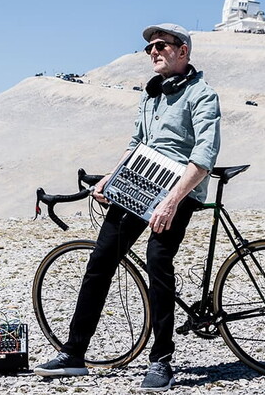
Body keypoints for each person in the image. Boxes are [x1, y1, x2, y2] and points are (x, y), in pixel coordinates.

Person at [34, 23, 221, 392]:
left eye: (161, 46)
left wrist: (172, 202)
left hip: (177, 190)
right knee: (101, 260)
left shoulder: (202, 95)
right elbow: (136, 142)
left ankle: (161, 360)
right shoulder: (150, 95)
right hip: (140, 181)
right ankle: (74, 354)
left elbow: (204, 156)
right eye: (149, 47)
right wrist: (109, 179)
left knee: (157, 260)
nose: (153, 51)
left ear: (183, 51)